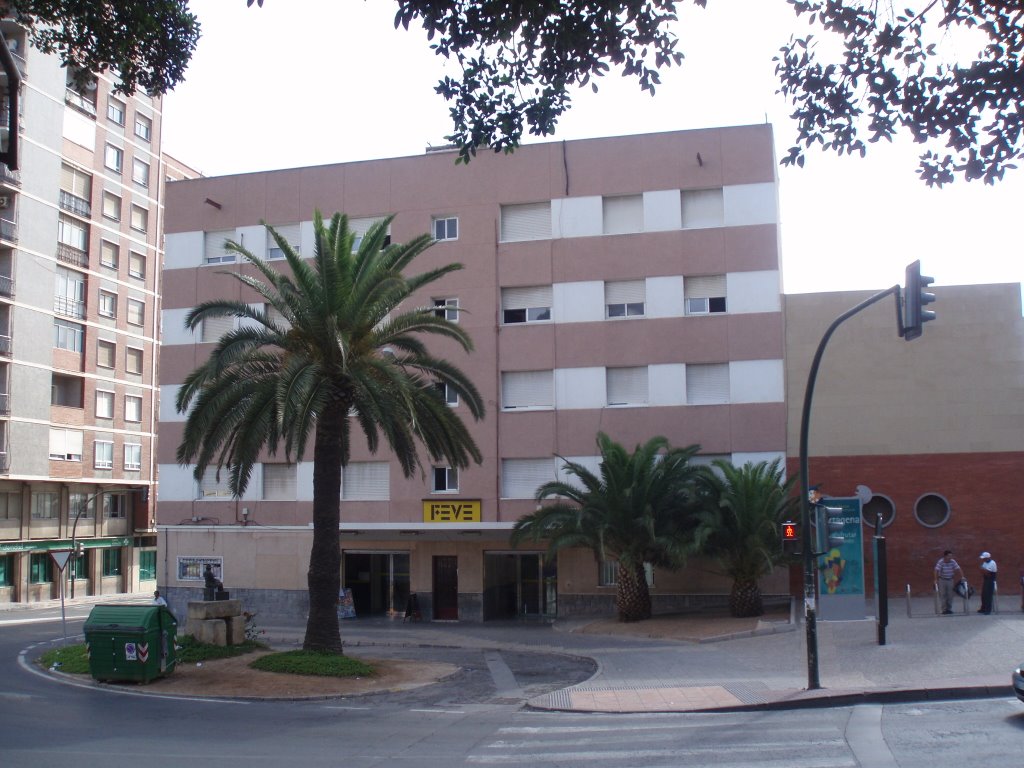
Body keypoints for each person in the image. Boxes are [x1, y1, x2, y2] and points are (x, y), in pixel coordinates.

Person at [934, 550, 964, 614]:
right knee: (943, 594)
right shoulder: (941, 561)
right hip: (942, 580)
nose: (950, 557)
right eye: (949, 556)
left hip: (950, 579)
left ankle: (949, 608)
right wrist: (935, 579)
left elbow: (958, 568)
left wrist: (962, 577)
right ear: (945, 556)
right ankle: (944, 609)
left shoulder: (953, 561)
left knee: (950, 595)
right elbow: (936, 570)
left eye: (951, 556)